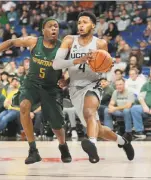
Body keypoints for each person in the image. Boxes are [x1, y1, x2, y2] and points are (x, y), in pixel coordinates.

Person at [0, 18, 72, 164]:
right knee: (23, 106)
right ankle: (33, 150)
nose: (54, 28)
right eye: (50, 26)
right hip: (32, 83)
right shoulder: (33, 41)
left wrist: (66, 81)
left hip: (51, 87)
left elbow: (74, 69)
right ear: (43, 30)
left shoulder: (64, 48)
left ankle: (63, 145)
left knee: (56, 125)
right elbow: (10, 42)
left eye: (56, 26)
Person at [53, 11, 134, 163]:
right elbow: (56, 63)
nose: (81, 25)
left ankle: (92, 145)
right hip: (74, 87)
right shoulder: (69, 40)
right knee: (99, 128)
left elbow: (106, 67)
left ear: (93, 26)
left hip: (93, 84)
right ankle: (123, 141)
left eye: (85, 22)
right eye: (79, 22)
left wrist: (106, 74)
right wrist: (71, 73)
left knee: (89, 112)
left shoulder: (100, 44)